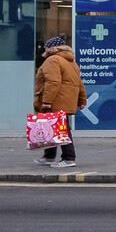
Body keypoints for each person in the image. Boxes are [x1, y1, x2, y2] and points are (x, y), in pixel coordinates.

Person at [32, 35, 86, 168]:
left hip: (56, 100)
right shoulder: (71, 62)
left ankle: (68, 158)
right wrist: (81, 100)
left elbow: (53, 81)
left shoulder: (53, 60)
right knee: (52, 128)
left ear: (50, 48)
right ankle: (49, 157)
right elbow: (79, 84)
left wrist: (47, 102)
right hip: (65, 100)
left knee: (62, 130)